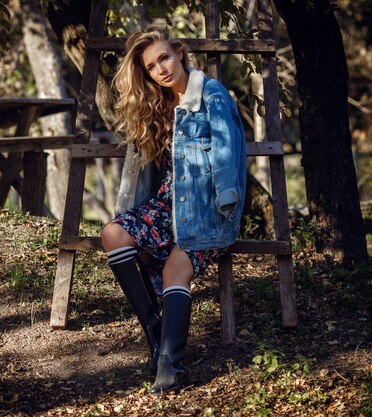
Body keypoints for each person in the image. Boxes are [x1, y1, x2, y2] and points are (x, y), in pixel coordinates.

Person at [100, 27, 247, 394]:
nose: (161, 69)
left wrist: (225, 205)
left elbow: (227, 153)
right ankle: (155, 332)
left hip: (207, 209)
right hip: (168, 205)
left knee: (174, 269)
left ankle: (170, 365)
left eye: (164, 57)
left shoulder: (210, 94)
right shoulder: (161, 104)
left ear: (179, 52)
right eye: (151, 66)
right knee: (112, 233)